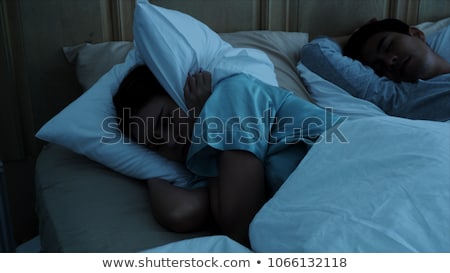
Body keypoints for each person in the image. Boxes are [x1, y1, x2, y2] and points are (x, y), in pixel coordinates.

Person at [113, 65, 343, 246]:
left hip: (347, 162)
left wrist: (207, 122)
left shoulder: (232, 93)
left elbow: (239, 228)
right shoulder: (203, 163)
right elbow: (180, 212)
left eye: (168, 120)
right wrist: (149, 171)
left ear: (180, 93)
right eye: (156, 144)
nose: (171, 141)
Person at [301, 18, 450, 121]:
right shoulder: (401, 99)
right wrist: (353, 37)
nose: (389, 61)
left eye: (388, 46)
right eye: (379, 68)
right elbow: (315, 51)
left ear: (417, 34)